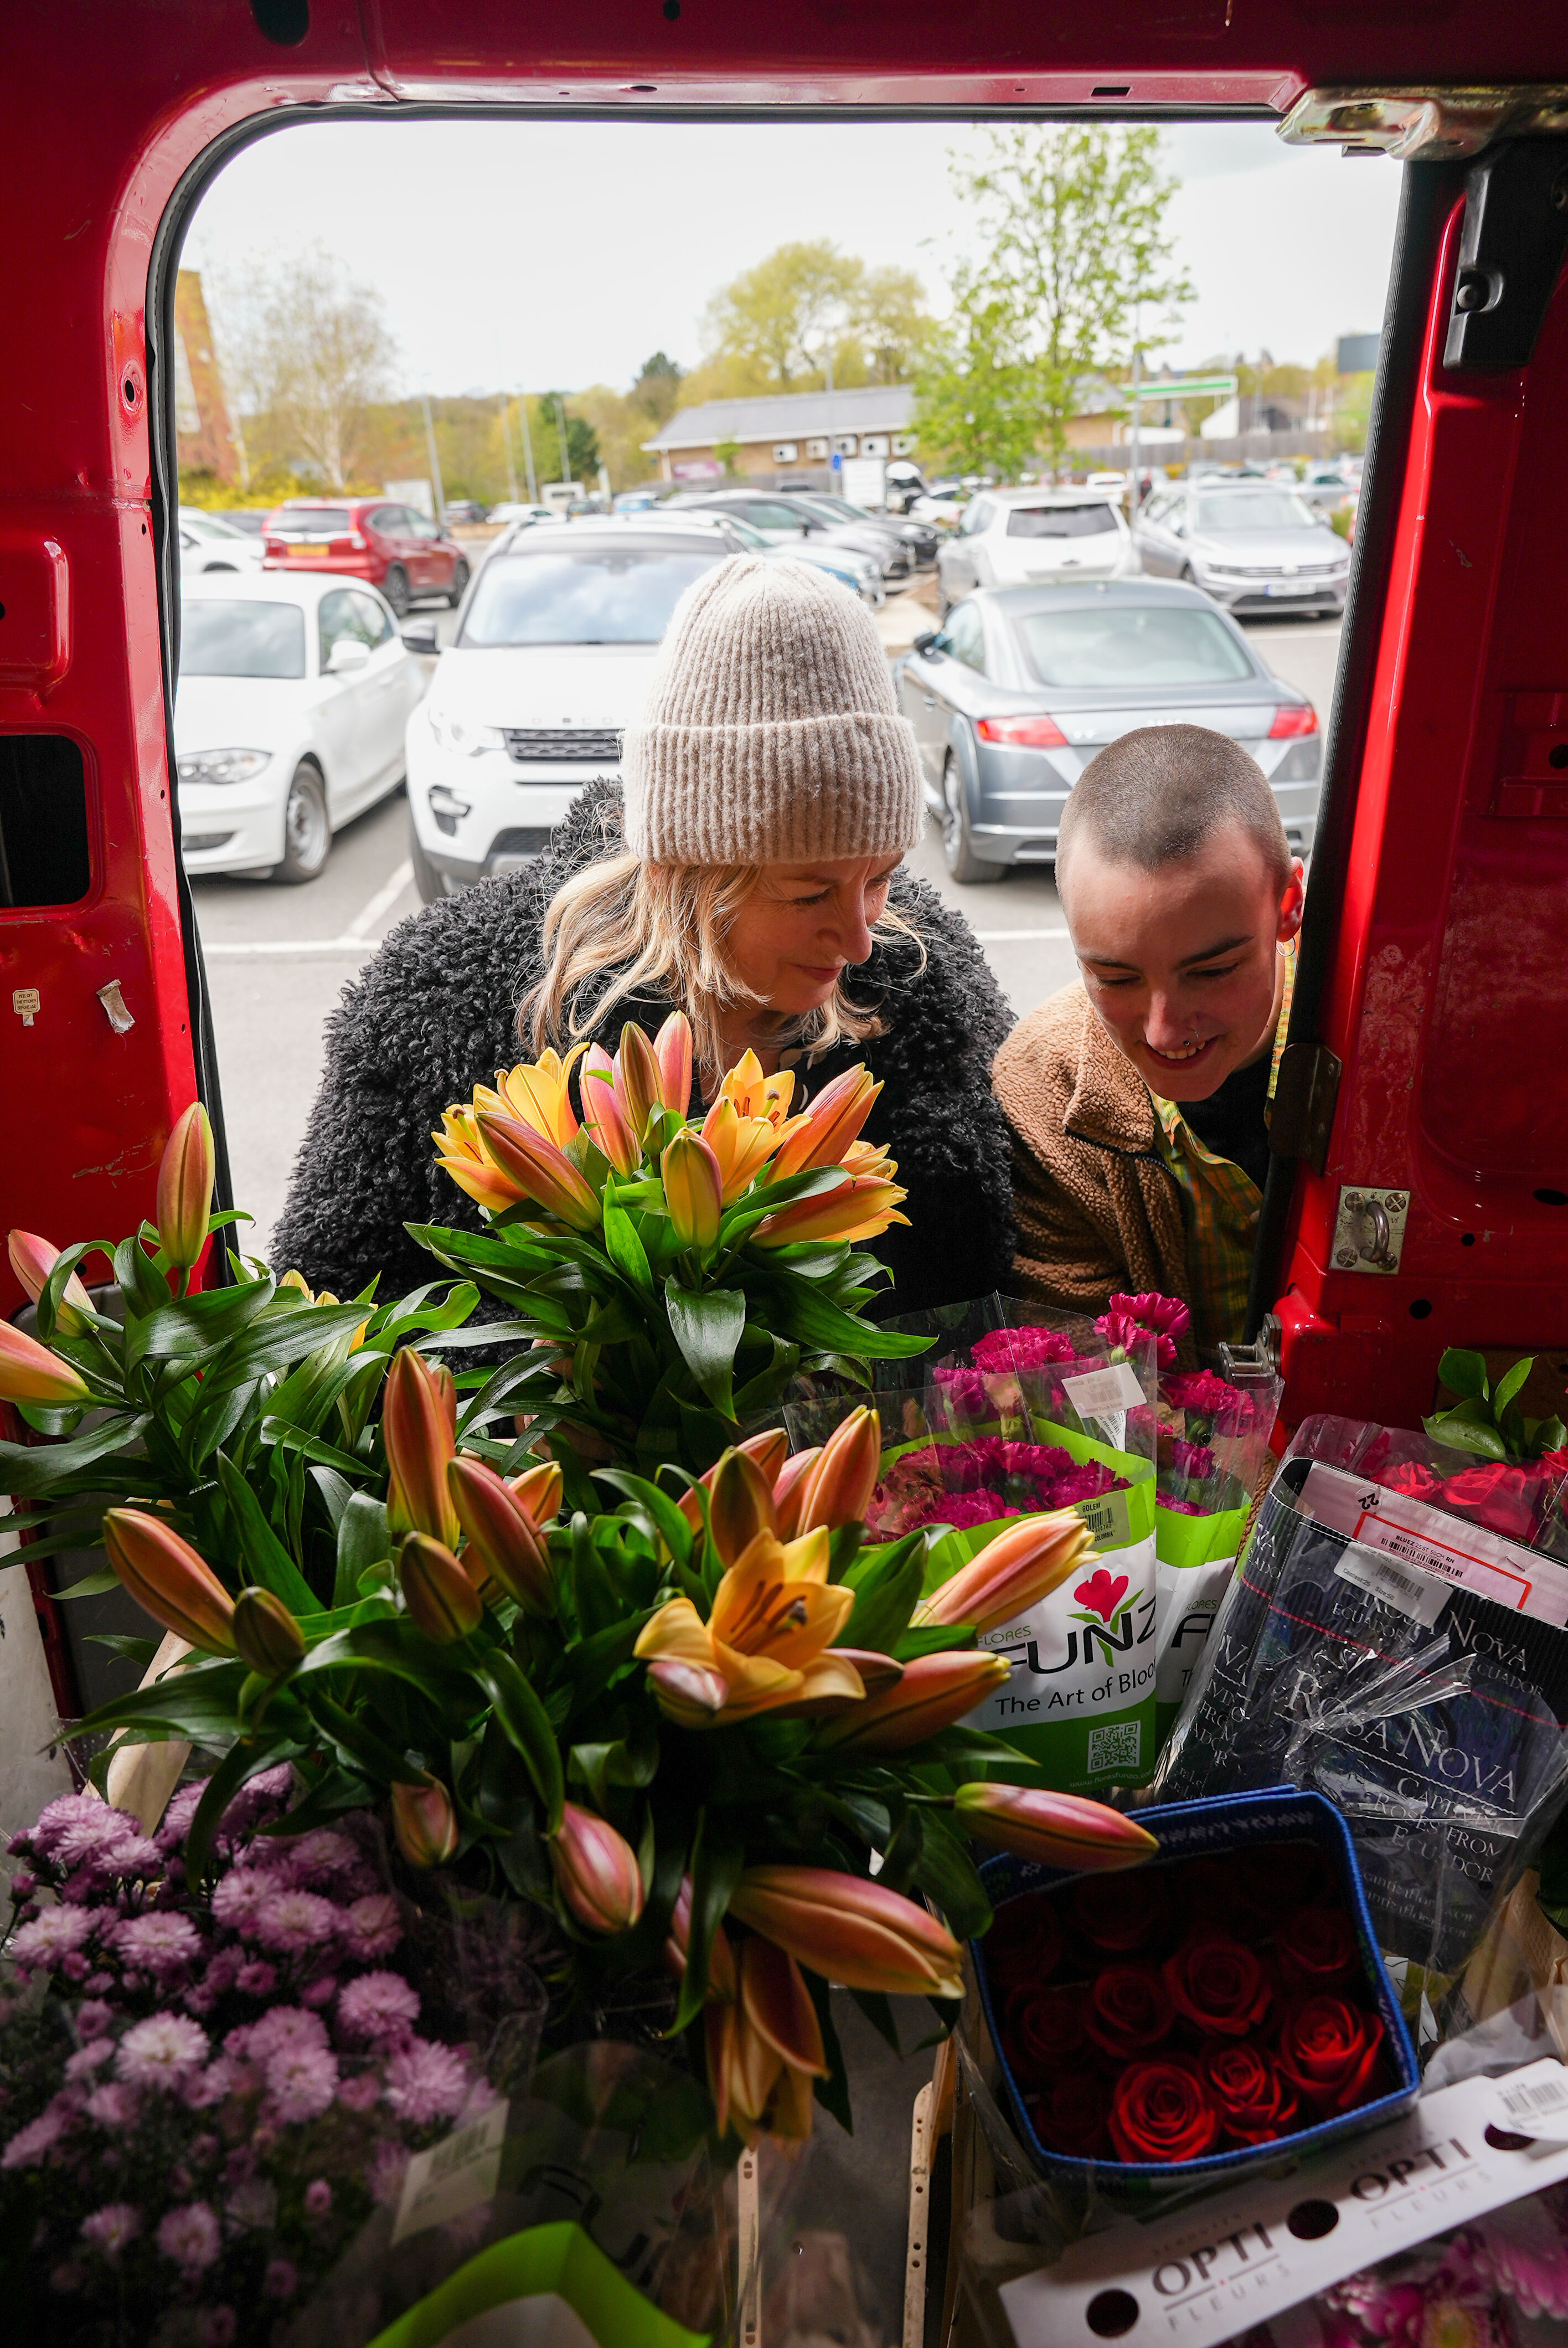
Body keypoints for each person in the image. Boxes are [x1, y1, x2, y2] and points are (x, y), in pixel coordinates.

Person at [271, 555, 1018, 1314]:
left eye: (881, 877)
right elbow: (329, 1299)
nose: (861, 939)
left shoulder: (932, 994)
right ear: (685, 873)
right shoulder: (439, 1002)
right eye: (809, 893)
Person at [991, 723, 1305, 1361]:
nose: (1163, 1030)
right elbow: (1079, 1379)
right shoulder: (1039, 1091)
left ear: (1288, 907)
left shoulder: (1393, 1027)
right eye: (1115, 978)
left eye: (1212, 971)